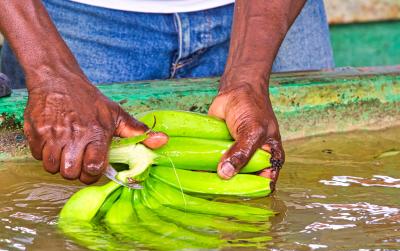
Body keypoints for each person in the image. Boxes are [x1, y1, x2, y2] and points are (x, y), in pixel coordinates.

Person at [0, 0, 333, 187]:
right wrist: (52, 73)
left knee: (297, 192)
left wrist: (249, 76)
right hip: (66, 21)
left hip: (271, 16)